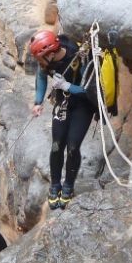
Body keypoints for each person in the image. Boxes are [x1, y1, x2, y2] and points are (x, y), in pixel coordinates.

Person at [29, 29, 97, 210]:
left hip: (83, 105)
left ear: (51, 53)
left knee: (73, 147)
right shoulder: (47, 61)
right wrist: (38, 102)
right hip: (63, 102)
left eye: (40, 58)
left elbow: (89, 90)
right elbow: (41, 77)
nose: (39, 62)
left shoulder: (79, 56)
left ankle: (68, 185)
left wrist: (67, 86)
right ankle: (55, 184)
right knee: (57, 145)